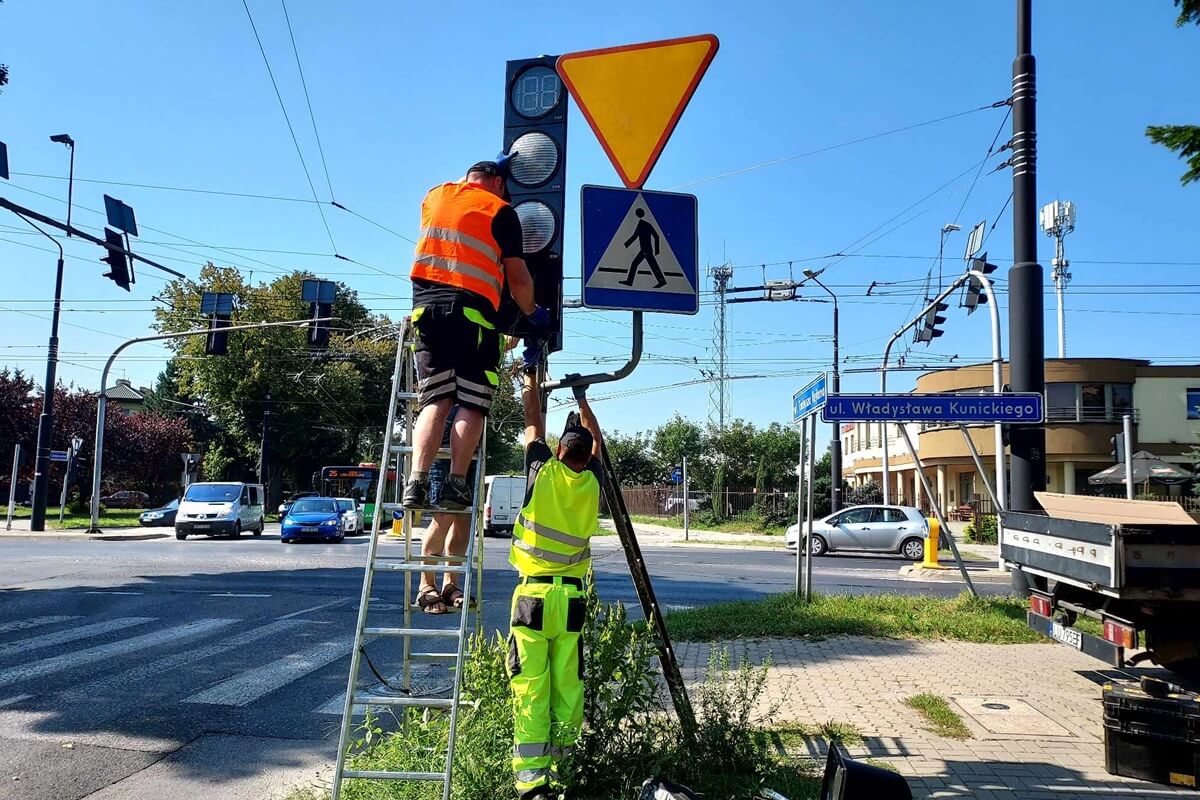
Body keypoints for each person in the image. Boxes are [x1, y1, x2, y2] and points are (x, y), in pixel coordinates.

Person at [402, 156, 548, 511]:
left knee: (435, 400)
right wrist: (533, 313)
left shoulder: (435, 196)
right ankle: (455, 482)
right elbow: (518, 279)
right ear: (499, 183)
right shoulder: (501, 211)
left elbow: (461, 200)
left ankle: (415, 481)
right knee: (471, 402)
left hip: (425, 313)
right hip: (473, 318)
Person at [506, 350, 604, 800]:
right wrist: (583, 402)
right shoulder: (591, 483)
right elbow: (598, 444)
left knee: (531, 686)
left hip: (532, 599)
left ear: (561, 450)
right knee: (569, 686)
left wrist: (531, 377)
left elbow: (531, 421)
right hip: (572, 604)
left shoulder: (541, 472)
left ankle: (533, 784)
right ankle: (565, 775)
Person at [416, 406, 475, 613]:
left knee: (463, 516)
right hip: (445, 431)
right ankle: (426, 584)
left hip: (471, 435)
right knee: (444, 514)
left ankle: (450, 584)